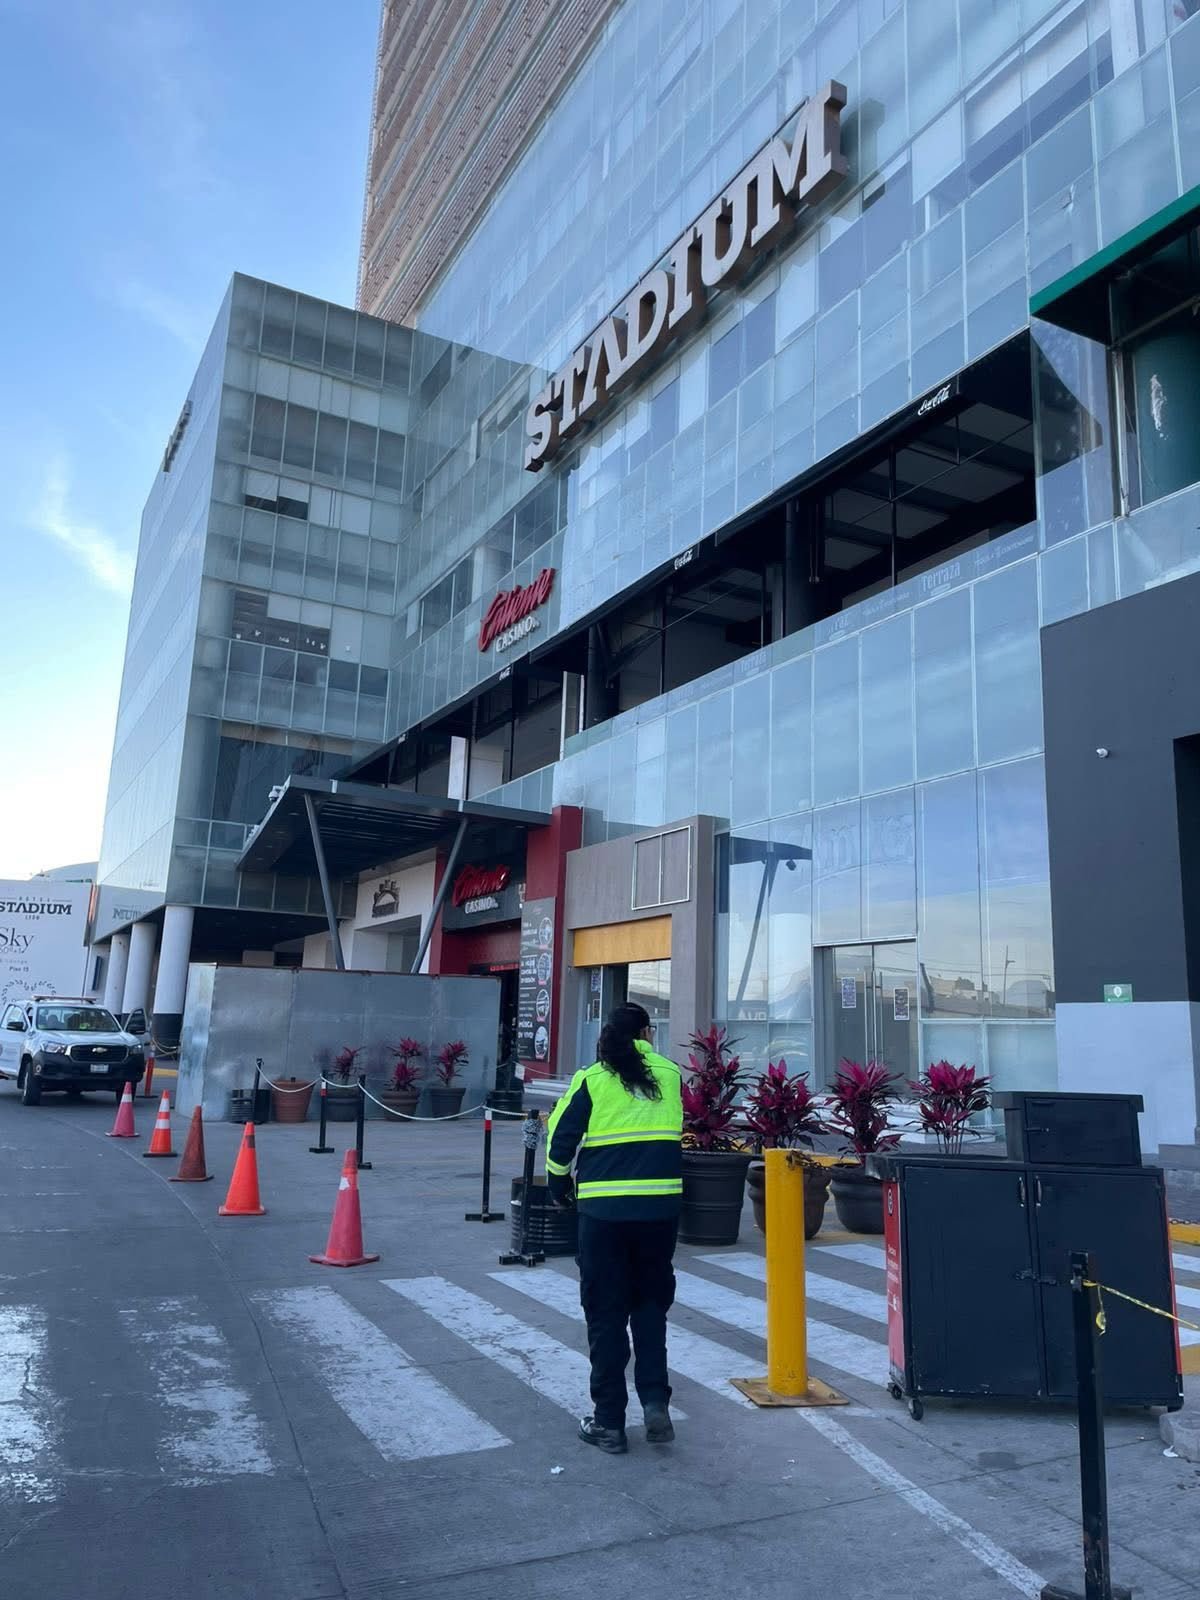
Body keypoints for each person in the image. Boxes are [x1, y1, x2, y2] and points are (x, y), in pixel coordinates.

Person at [545, 1001, 683, 1455]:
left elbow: (561, 1138)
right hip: (660, 1212)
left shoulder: (592, 1079)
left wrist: (557, 1184)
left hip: (603, 1216)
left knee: (606, 1315)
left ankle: (608, 1422)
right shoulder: (671, 1074)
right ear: (647, 1033)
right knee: (650, 1308)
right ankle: (655, 1402)